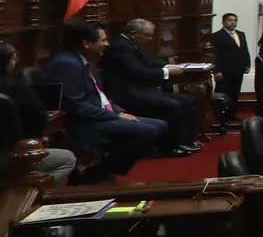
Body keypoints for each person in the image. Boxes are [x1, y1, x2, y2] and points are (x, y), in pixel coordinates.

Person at [44, 23, 172, 176]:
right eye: (103, 40)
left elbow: (101, 95)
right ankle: (98, 174)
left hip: (102, 115)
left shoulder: (86, 60)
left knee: (162, 126)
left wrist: (120, 112)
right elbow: (76, 105)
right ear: (86, 44)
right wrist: (116, 116)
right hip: (86, 122)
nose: (107, 44)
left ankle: (107, 171)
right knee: (149, 131)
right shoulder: (67, 64)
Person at [102, 19, 199, 154]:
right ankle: (169, 148)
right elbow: (138, 73)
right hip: (128, 93)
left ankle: (182, 142)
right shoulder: (120, 47)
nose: (150, 39)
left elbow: (150, 62)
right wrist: (166, 72)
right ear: (134, 33)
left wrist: (167, 66)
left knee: (186, 100)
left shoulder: (135, 45)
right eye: (147, 35)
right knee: (173, 105)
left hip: (142, 90)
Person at [0, 43, 76, 185]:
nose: (15, 63)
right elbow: (38, 117)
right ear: (5, 63)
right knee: (68, 158)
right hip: (16, 155)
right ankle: (31, 192)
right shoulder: (17, 86)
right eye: (13, 59)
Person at [210, 12, 251, 127]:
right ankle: (219, 116)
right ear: (223, 22)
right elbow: (215, 55)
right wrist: (216, 70)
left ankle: (231, 114)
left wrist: (247, 64)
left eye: (235, 20)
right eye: (230, 20)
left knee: (235, 92)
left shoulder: (241, 34)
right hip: (224, 71)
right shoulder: (217, 36)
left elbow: (244, 50)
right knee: (223, 93)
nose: (233, 22)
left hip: (238, 69)